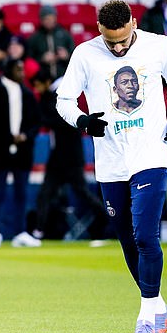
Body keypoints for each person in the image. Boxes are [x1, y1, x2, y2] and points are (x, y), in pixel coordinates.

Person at [56, 0, 167, 333]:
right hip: (111, 160)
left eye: (123, 40)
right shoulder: (84, 54)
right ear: (98, 28)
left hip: (151, 154)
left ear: (134, 23)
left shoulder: (158, 44)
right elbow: (63, 100)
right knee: (129, 242)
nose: (117, 48)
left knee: (146, 235)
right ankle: (160, 310)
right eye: (110, 41)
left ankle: (146, 321)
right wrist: (82, 121)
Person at [30, 69, 106, 240]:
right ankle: (39, 229)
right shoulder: (50, 98)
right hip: (59, 157)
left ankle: (107, 220)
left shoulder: (58, 97)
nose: (37, 89)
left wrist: (44, 118)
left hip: (70, 157)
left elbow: (63, 123)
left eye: (39, 85)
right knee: (47, 193)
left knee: (80, 192)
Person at [0, 59, 42, 248]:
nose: (22, 73)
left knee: (21, 192)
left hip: (22, 152)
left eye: (23, 70)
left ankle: (20, 231)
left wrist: (25, 136)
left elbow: (36, 122)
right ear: (7, 70)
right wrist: (5, 137)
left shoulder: (27, 93)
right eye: (18, 69)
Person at [26, 5, 75, 81]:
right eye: (46, 19)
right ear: (41, 20)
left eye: (52, 18)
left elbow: (76, 57)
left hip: (63, 77)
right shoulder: (34, 38)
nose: (49, 21)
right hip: (43, 79)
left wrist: (66, 56)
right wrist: (42, 59)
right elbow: (29, 60)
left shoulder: (65, 35)